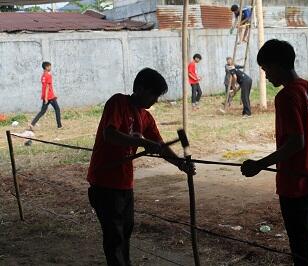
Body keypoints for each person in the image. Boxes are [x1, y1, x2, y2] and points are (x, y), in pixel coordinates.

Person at [87, 68, 195, 266]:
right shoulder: (117, 103)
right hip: (104, 181)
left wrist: (180, 163)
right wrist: (144, 143)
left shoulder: (145, 117)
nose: (155, 100)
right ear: (139, 88)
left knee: (125, 231)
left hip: (125, 183)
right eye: (153, 94)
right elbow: (109, 134)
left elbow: (160, 147)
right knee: (115, 236)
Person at [241, 39, 308, 266]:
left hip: (296, 182)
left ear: (277, 65)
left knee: (299, 242)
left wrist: (259, 164)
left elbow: (295, 142)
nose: (266, 76)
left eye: (266, 69)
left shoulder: (286, 96)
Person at [29, 61, 62, 130]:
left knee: (42, 111)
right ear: (46, 67)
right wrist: (47, 98)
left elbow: (47, 87)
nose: (50, 67)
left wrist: (51, 95)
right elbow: (47, 87)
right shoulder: (48, 75)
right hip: (49, 97)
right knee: (57, 109)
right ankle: (59, 126)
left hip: (46, 95)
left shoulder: (43, 76)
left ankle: (32, 124)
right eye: (50, 66)